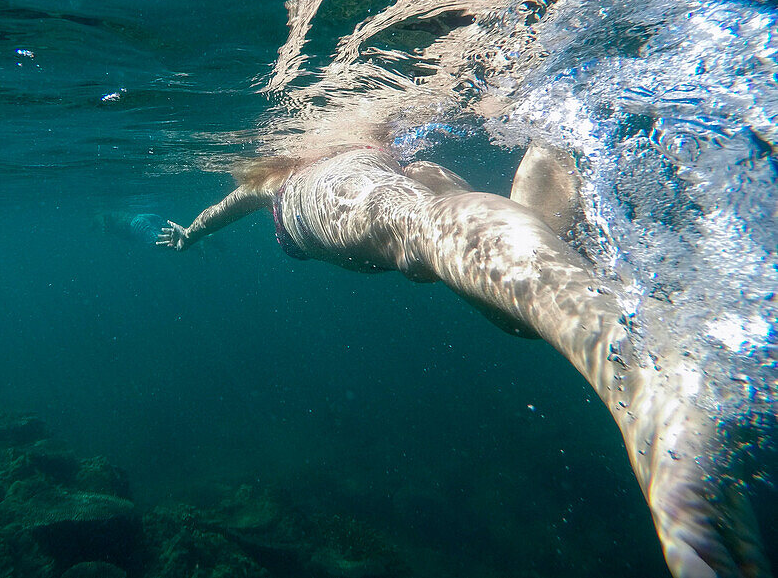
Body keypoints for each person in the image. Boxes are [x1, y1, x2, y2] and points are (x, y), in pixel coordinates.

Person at [157, 144, 770, 578]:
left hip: (334, 196)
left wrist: (192, 231)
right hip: (388, 184)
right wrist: (191, 231)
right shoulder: (356, 152)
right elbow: (220, 212)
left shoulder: (283, 175)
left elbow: (227, 209)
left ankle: (641, 381)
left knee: (425, 230)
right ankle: (553, 154)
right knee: (508, 306)